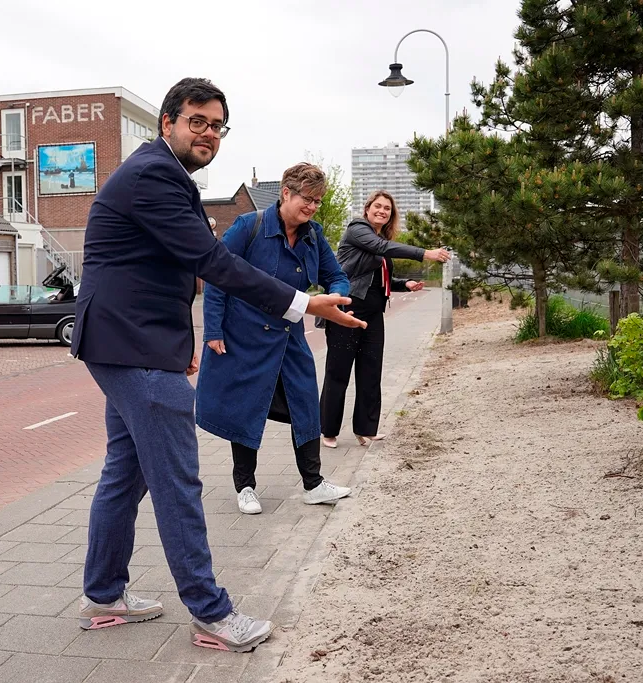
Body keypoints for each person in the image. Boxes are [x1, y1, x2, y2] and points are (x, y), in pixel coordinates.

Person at [70, 77, 365, 653]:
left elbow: (165, 272)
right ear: (168, 123)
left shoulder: (163, 175)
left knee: (125, 472)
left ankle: (103, 596)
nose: (208, 133)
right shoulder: (156, 174)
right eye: (196, 121)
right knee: (179, 480)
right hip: (131, 347)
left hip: (125, 342)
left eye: (217, 125)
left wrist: (179, 348)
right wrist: (303, 303)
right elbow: (210, 262)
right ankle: (212, 615)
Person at [196, 163, 353, 515]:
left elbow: (335, 275)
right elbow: (219, 275)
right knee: (246, 406)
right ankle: (246, 486)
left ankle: (313, 484)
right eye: (307, 199)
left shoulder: (314, 235)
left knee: (305, 402)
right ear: (286, 193)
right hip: (245, 336)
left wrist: (338, 297)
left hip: (289, 336)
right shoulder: (248, 227)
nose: (312, 207)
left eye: (318, 201)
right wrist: (214, 330)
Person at [319, 190, 451, 448]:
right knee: (338, 372)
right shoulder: (357, 230)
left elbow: (378, 281)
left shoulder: (380, 241)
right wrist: (425, 253)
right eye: (377, 206)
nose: (382, 211)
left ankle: (365, 429)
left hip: (373, 314)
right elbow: (376, 253)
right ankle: (328, 431)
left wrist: (405, 284)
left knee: (370, 372)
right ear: (367, 209)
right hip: (347, 309)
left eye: (387, 209)